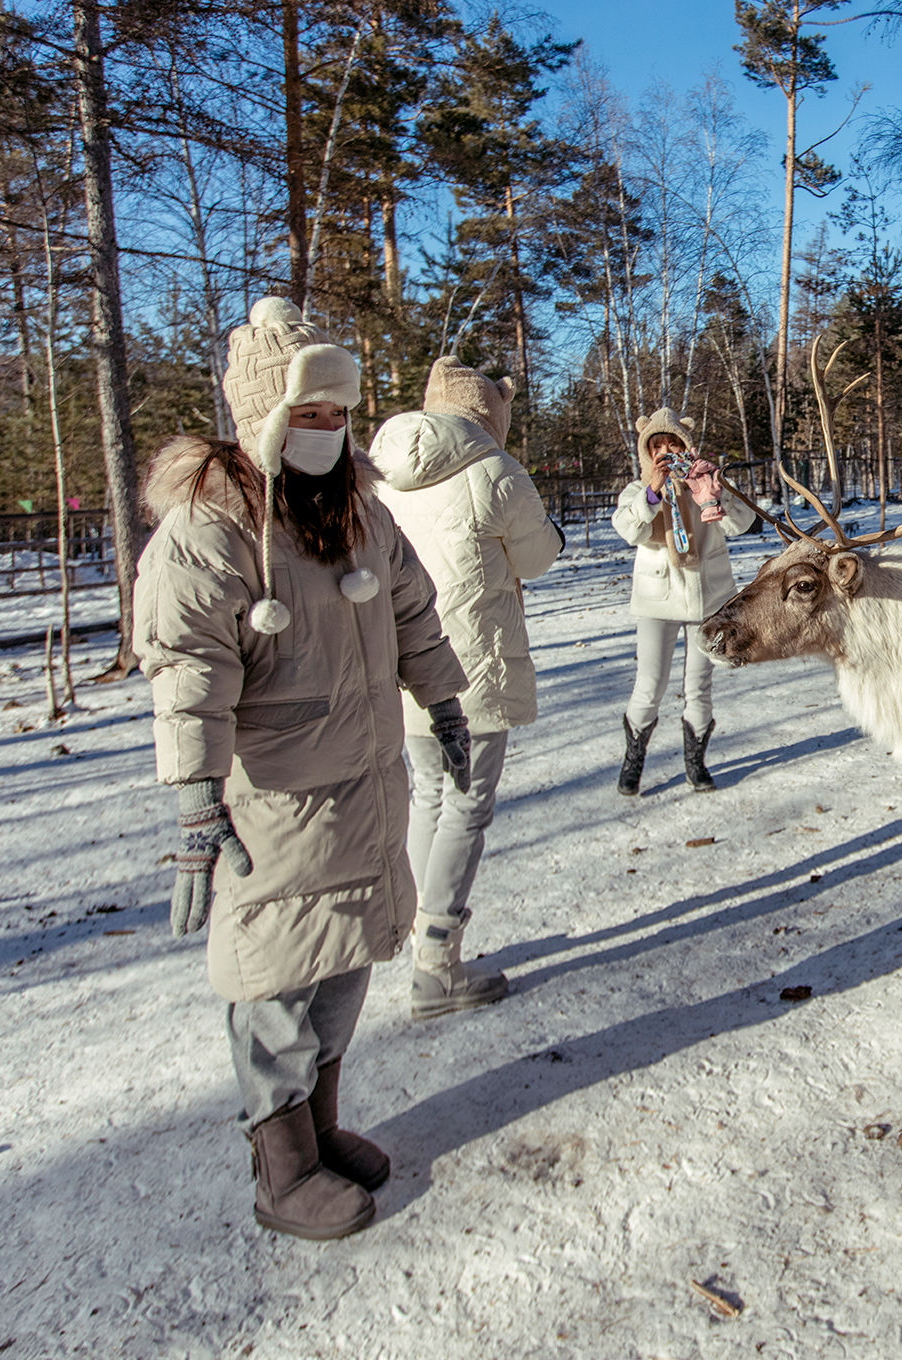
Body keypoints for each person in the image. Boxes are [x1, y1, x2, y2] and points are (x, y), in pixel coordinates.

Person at [133, 297, 468, 1240]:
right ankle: (280, 1171)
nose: (326, 430)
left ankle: (317, 1130)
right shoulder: (210, 532)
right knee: (277, 980)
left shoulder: (360, 510)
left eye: (336, 413)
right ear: (262, 418)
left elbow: (413, 611)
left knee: (344, 962)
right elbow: (187, 675)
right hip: (273, 804)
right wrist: (198, 801)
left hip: (362, 786)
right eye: (307, 414)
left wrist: (442, 700)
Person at [372, 357, 563, 1021]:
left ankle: (422, 933)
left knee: (430, 794)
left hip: (403, 660)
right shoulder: (494, 472)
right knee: (466, 804)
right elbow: (537, 558)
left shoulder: (383, 471)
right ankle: (436, 964)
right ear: (490, 413)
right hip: (471, 667)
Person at [610, 407, 755, 795]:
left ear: (686, 445)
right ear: (647, 452)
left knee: (699, 686)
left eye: (673, 443)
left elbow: (741, 525)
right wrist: (653, 492)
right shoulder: (637, 492)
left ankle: (696, 763)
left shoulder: (705, 481)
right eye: (657, 445)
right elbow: (628, 529)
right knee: (650, 685)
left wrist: (715, 492)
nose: (666, 451)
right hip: (658, 601)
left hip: (708, 599)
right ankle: (633, 761)